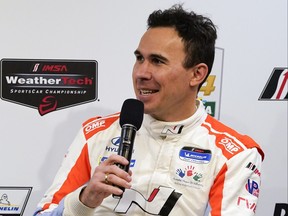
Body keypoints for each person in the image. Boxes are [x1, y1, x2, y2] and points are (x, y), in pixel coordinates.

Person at [34, 4, 264, 216]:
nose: (141, 73)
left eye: (157, 61)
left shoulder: (235, 154)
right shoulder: (95, 133)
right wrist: (84, 199)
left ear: (197, 74)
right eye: (139, 58)